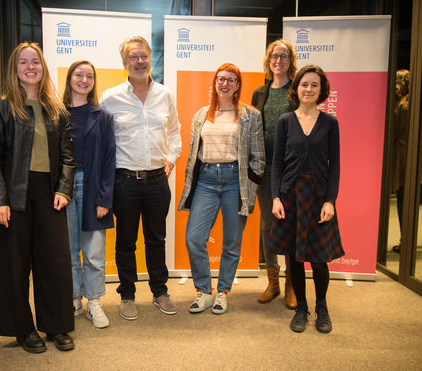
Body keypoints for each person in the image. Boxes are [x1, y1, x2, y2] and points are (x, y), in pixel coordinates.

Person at [0, 42, 75, 353]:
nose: (30, 67)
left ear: (43, 67)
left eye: (35, 61)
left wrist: (64, 189)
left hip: (50, 195)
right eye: (23, 62)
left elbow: (67, 155)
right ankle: (23, 329)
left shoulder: (57, 110)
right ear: (15, 69)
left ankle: (56, 326)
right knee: (15, 265)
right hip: (14, 195)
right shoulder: (2, 106)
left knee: (56, 262)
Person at [100, 36, 182, 320]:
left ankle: (160, 292)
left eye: (143, 56)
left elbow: (175, 131)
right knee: (125, 242)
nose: (139, 61)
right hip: (125, 181)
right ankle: (127, 295)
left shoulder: (165, 94)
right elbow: (101, 139)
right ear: (124, 63)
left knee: (156, 238)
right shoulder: (110, 98)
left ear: (150, 59)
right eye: (133, 57)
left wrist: (171, 159)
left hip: (158, 181)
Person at [179, 63, 265, 315]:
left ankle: (223, 291)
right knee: (194, 237)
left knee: (231, 242)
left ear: (238, 85)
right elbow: (195, 154)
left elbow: (258, 157)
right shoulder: (201, 115)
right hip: (206, 180)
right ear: (214, 83)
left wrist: (249, 184)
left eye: (230, 80)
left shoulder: (251, 116)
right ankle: (204, 291)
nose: (224, 84)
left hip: (234, 182)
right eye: (220, 79)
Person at [270, 65, 344, 333]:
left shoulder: (330, 123)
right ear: (297, 88)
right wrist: (276, 197)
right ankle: (301, 306)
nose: (309, 89)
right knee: (295, 258)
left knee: (319, 259)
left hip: (318, 197)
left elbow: (334, 165)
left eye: (314, 85)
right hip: (290, 197)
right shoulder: (285, 121)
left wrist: (330, 201)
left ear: (321, 89)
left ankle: (321, 306)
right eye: (304, 84)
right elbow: (277, 164)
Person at [62, 60, 116, 328]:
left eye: (89, 76)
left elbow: (109, 160)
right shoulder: (56, 113)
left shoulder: (102, 116)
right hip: (63, 187)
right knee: (69, 250)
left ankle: (94, 300)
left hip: (92, 186)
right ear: (70, 78)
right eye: (79, 75)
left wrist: (105, 199)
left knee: (93, 251)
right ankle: (74, 298)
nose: (84, 80)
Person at [251, 39, 297, 309]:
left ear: (291, 61)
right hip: (265, 170)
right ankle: (273, 282)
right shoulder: (260, 92)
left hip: (291, 170)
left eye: (283, 56)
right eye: (274, 57)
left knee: (289, 225)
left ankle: (292, 284)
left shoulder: (297, 90)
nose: (278, 61)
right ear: (268, 62)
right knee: (268, 226)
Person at [391, 69, 422, 252]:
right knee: (410, 198)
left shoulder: (403, 104)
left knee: (404, 198)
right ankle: (407, 240)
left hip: (404, 156)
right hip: (419, 156)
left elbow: (394, 131)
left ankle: (406, 241)